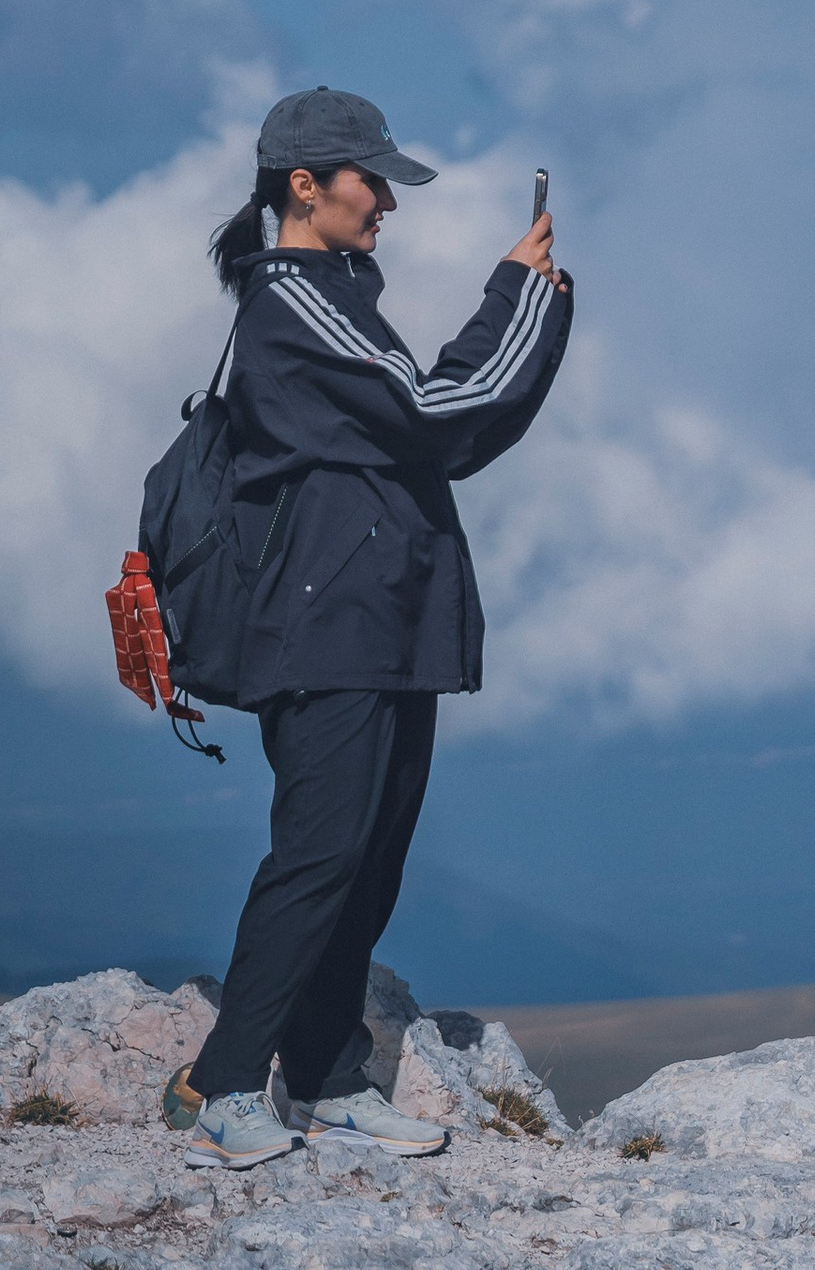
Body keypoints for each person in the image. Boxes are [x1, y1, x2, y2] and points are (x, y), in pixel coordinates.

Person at [161, 86, 571, 1170]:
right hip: (326, 626)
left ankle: (330, 1078)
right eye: (371, 179)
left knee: (368, 858)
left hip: (382, 624)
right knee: (319, 856)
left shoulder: (332, 294)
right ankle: (228, 1088)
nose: (386, 199)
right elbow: (440, 413)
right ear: (307, 186)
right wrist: (517, 294)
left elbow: (434, 430)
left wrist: (520, 299)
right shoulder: (294, 297)